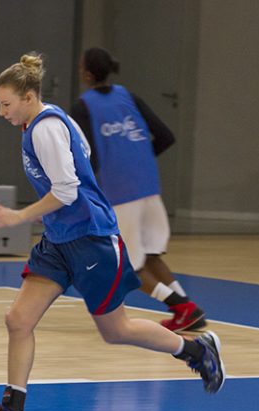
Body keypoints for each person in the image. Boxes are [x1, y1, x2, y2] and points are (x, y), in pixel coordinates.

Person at [0, 53, 224, 411]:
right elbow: (83, 153)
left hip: (90, 239)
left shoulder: (44, 128)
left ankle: (196, 350)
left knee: (115, 330)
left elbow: (67, 190)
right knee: (18, 319)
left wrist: (19, 216)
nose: (2, 113)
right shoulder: (46, 121)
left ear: (28, 97)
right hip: (58, 240)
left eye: (5, 104)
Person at [70, 47, 205, 332]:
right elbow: (166, 136)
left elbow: (87, 156)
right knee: (151, 255)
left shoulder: (84, 106)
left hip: (120, 193)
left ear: (86, 73)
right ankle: (188, 310)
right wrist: (138, 159)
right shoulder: (128, 97)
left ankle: (182, 307)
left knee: (127, 267)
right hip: (149, 187)